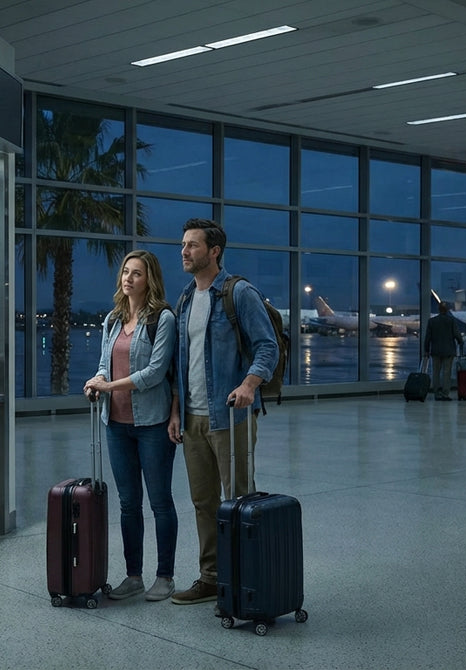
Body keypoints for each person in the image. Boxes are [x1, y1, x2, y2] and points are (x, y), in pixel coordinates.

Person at [165, 218, 278, 605]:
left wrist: (248, 385)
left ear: (214, 251)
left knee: (240, 498)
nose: (184, 251)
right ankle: (212, 577)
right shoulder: (184, 300)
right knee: (203, 502)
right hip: (193, 418)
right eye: (183, 245)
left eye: (192, 245)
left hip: (230, 416)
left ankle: (245, 579)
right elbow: (181, 363)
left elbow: (268, 347)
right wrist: (176, 412)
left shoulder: (238, 293)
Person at [83, 250, 179, 602]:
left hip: (151, 424)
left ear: (149, 279)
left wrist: (109, 386)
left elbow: (155, 373)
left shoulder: (163, 319)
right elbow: (104, 364)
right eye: (125, 272)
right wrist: (97, 380)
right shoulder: (112, 319)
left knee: (160, 503)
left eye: (136, 273)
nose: (128, 278)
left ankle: (165, 577)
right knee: (128, 504)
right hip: (116, 424)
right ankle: (134, 576)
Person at [423, 301, 464, 401]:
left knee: (436, 373)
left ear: (439, 309)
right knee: (446, 373)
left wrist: (426, 350)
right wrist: (460, 342)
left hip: (436, 351)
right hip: (449, 351)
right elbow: (456, 334)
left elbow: (428, 337)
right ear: (447, 310)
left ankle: (437, 394)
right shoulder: (451, 321)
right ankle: (445, 394)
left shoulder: (432, 321)